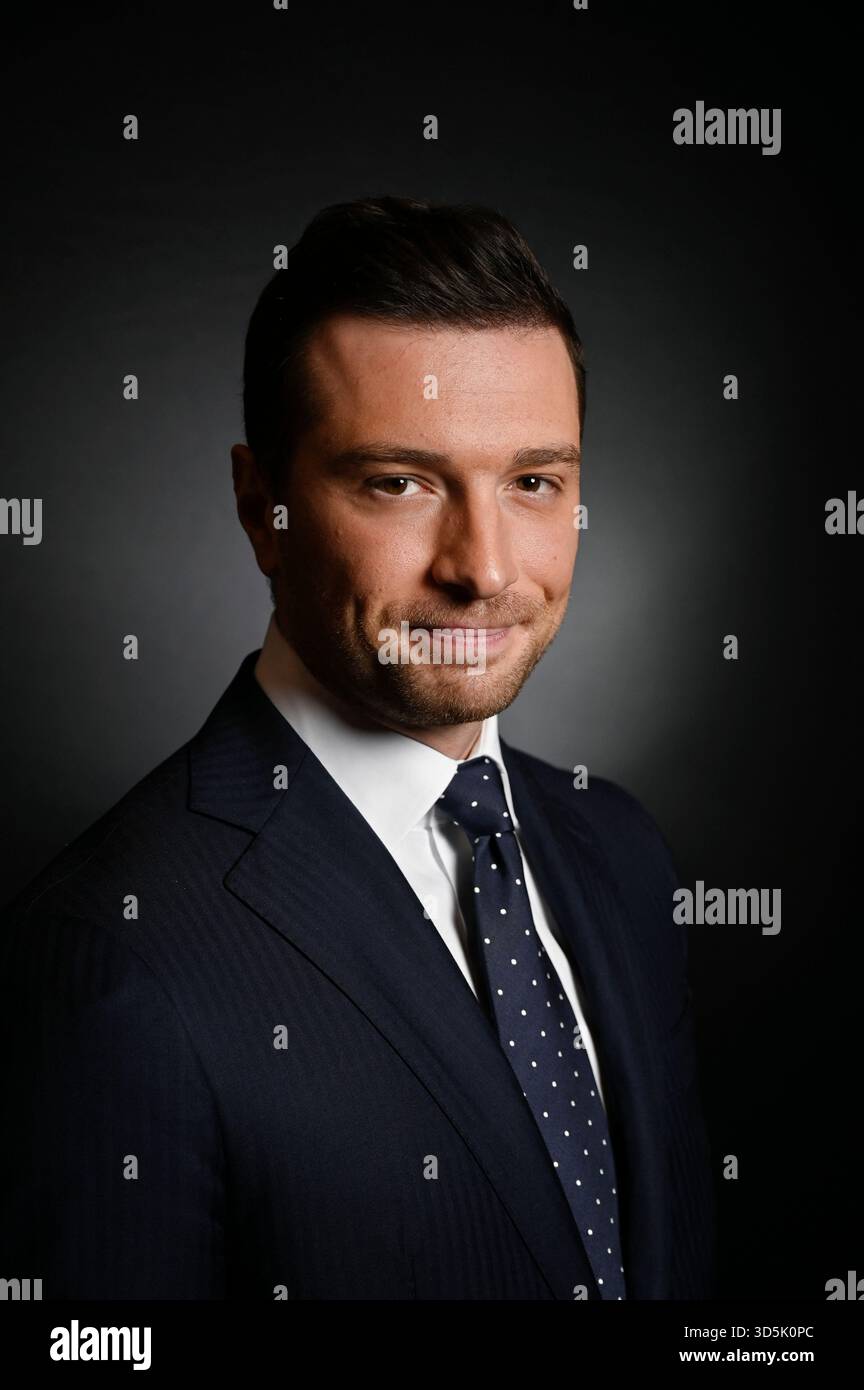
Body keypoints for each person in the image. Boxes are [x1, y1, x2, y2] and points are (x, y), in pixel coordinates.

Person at [0, 195, 715, 1300]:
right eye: (400, 482)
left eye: (533, 481)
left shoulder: (618, 851)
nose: (482, 567)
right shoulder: (112, 958)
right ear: (261, 506)